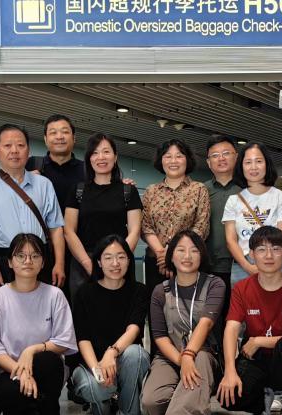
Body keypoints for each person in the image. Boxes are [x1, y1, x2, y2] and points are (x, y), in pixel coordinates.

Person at [0, 234, 77, 415]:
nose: (28, 261)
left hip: (44, 367)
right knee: (10, 391)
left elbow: (64, 340)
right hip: (8, 370)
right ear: (9, 262)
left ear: (43, 263)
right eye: (20, 256)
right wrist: (20, 370)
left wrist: (30, 351)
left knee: (48, 361)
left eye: (35, 256)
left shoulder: (54, 295)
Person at [217, 226, 282, 415]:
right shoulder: (242, 288)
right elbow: (231, 328)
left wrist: (260, 341)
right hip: (257, 359)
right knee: (229, 397)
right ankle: (262, 402)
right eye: (261, 249)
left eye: (276, 249)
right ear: (252, 254)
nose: (269, 255)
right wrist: (230, 371)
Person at [141, 231, 225, 415]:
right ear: (171, 256)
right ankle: (193, 409)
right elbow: (159, 336)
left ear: (202, 255)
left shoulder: (214, 284)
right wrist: (181, 360)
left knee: (201, 360)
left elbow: (206, 323)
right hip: (169, 356)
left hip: (203, 354)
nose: (187, 256)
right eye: (181, 250)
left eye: (194, 250)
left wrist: (189, 356)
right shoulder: (161, 291)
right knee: (152, 402)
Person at [0, 124, 65, 291]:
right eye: (7, 145)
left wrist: (59, 264)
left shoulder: (44, 184)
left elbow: (56, 228)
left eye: (20, 145)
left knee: (40, 306)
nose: (14, 150)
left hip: (39, 260)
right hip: (0, 261)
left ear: (28, 151)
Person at [70, 235, 151, 415]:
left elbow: (134, 328)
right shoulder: (84, 293)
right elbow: (83, 338)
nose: (115, 263)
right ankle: (102, 401)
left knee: (137, 354)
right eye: (108, 258)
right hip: (91, 364)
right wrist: (97, 369)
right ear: (99, 262)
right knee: (97, 390)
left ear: (129, 260)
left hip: (122, 361)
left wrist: (111, 353)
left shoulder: (139, 291)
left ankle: (128, 412)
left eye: (121, 257)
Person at [63, 133, 143, 294]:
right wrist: (88, 264)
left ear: (115, 157)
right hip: (84, 262)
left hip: (119, 264)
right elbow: (69, 231)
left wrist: (119, 259)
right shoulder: (78, 190)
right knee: (85, 308)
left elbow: (135, 231)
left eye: (106, 152)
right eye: (95, 153)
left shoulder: (128, 191)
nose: (101, 157)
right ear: (89, 159)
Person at [141, 139, 211, 291]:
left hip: (189, 261)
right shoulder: (151, 191)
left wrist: (173, 254)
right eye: (168, 156)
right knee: (157, 303)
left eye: (179, 156)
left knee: (189, 304)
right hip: (157, 262)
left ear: (187, 160)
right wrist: (162, 256)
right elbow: (146, 226)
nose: (173, 161)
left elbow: (201, 226)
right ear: (161, 160)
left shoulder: (199, 189)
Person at [223, 142, 282, 285]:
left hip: (274, 261)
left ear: (267, 164)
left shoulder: (281, 198)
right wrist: (248, 266)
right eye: (248, 162)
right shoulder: (233, 200)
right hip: (242, 264)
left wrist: (265, 262)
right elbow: (231, 240)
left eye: (259, 161)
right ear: (241, 166)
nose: (253, 167)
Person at [203, 134, 241, 315]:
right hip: (209, 267)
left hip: (243, 267)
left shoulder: (249, 189)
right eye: (215, 155)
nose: (221, 158)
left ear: (236, 156)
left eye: (226, 153)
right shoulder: (200, 190)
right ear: (208, 162)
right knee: (212, 318)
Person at [27, 114, 84, 208]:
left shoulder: (87, 170)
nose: (59, 137)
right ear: (45, 139)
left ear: (74, 138)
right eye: (53, 133)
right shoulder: (30, 165)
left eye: (65, 132)